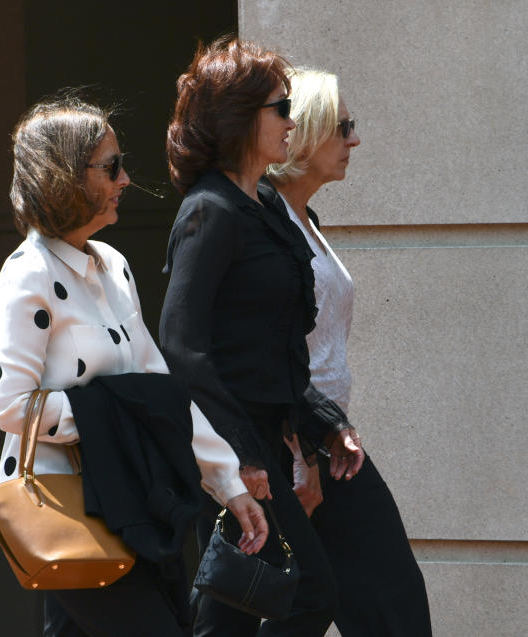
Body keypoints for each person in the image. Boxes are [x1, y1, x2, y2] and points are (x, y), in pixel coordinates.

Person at [0, 94, 267, 637]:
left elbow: (159, 391)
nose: (126, 180)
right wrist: (109, 420)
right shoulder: (28, 273)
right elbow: (9, 404)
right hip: (65, 509)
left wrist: (227, 481)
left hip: (130, 500)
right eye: (110, 167)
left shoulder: (113, 265)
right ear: (64, 176)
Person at [160, 38, 364, 637]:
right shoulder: (209, 211)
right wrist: (239, 455)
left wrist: (323, 423)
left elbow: (277, 345)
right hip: (229, 446)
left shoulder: (264, 207)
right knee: (306, 592)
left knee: (239, 606)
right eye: (281, 108)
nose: (292, 123)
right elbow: (181, 344)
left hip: (266, 439)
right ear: (242, 117)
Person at [265, 69, 433, 636]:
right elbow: (264, 355)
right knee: (310, 606)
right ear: (308, 134)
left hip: (329, 442)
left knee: (386, 603)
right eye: (344, 127)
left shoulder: (304, 220)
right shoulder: (263, 219)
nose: (354, 141)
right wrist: (302, 459)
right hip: (297, 452)